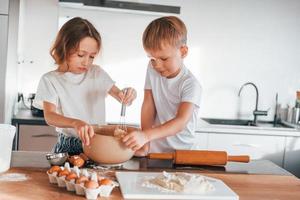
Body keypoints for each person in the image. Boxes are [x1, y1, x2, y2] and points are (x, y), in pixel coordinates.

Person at [33, 17, 136, 155]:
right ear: (64, 48)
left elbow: (121, 97)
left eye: (92, 56)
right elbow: (50, 116)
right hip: (68, 146)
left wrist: (128, 94)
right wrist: (76, 123)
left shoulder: (97, 73)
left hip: (97, 144)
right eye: (81, 55)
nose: (86, 62)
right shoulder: (51, 80)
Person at [122, 16, 202, 155]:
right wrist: (146, 143)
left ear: (183, 52)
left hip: (182, 153)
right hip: (156, 150)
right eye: (152, 58)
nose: (157, 64)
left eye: (164, 58)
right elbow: (148, 104)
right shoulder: (152, 68)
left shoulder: (191, 84)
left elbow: (180, 122)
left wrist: (146, 136)